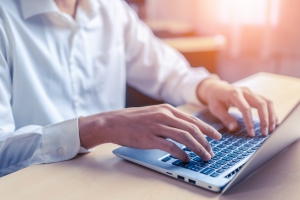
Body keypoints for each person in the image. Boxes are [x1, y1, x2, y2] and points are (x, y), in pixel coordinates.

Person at [0, 0, 277, 177]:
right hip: (35, 182)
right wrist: (99, 127)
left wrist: (209, 86)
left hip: (108, 174)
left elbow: (167, 71)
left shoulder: (111, 9)